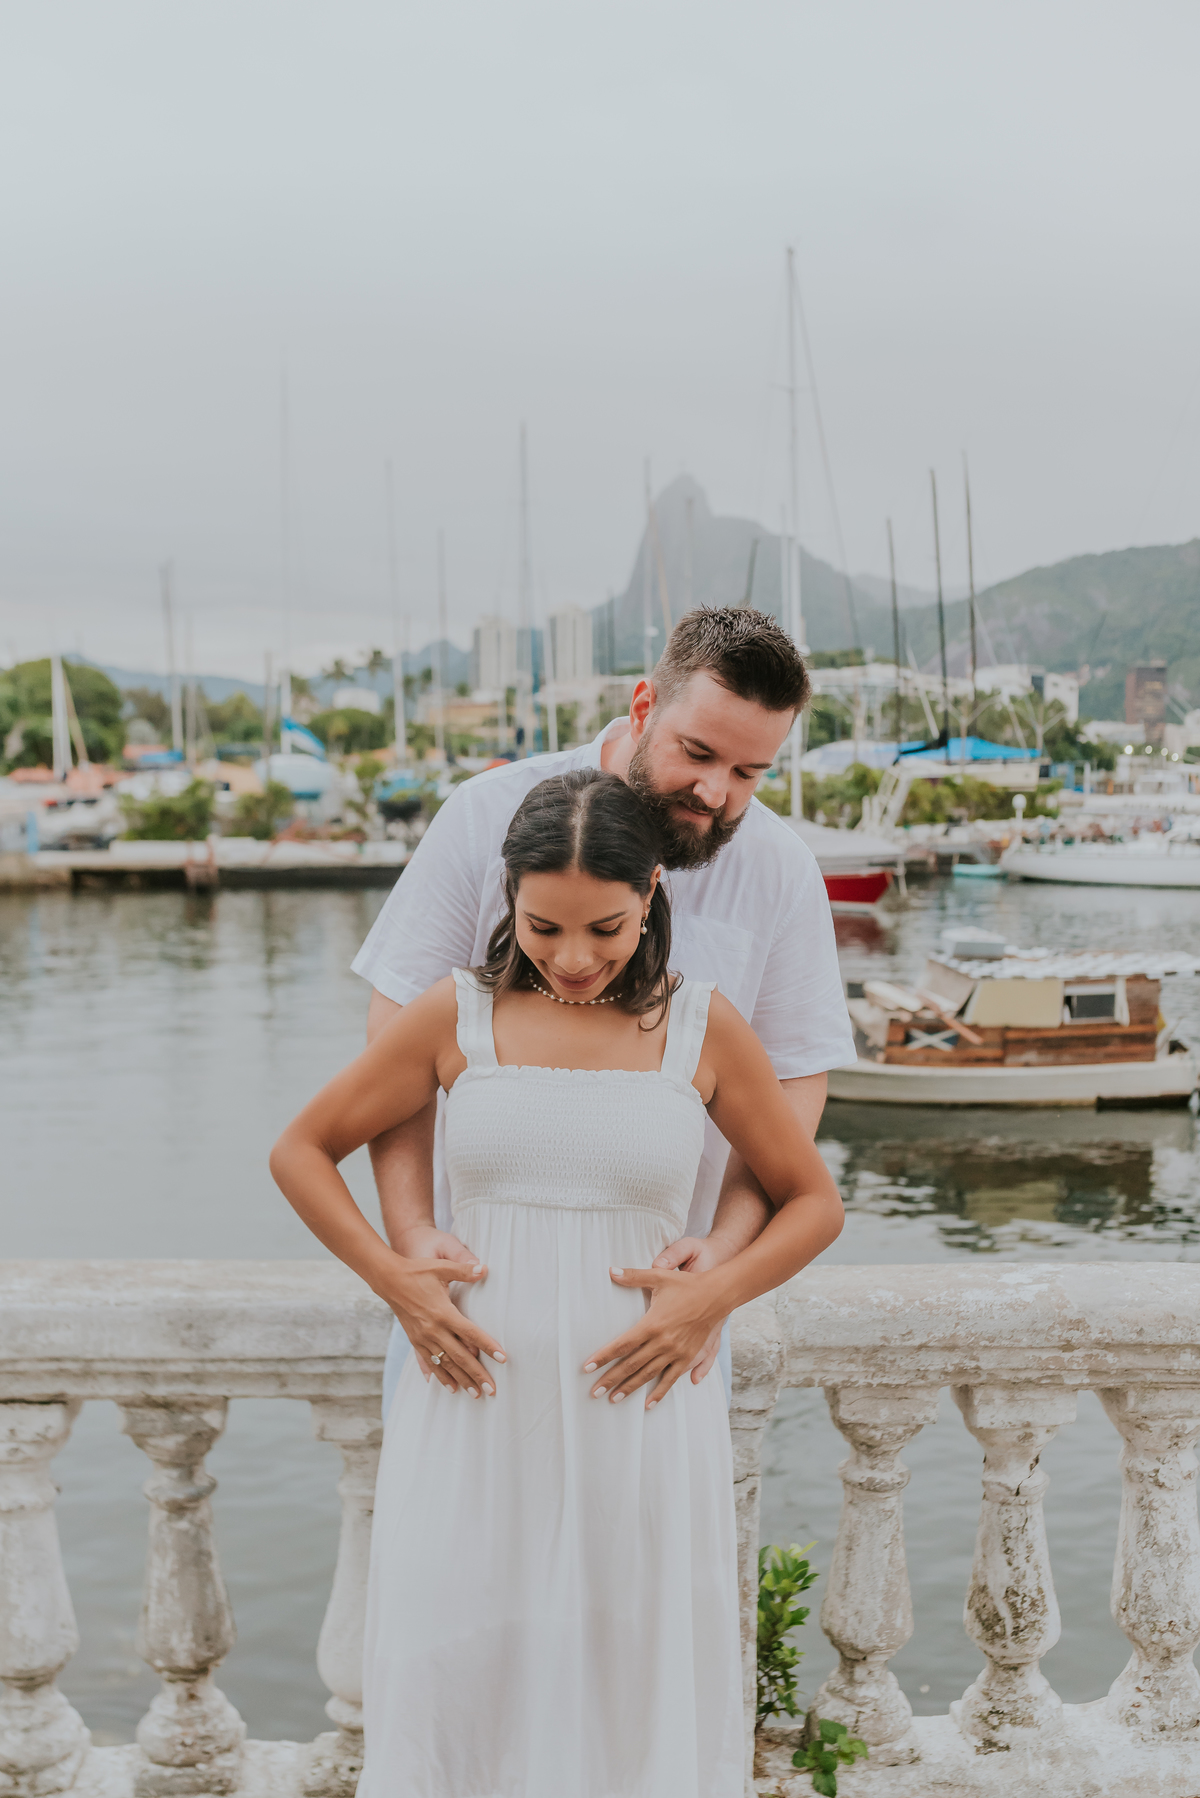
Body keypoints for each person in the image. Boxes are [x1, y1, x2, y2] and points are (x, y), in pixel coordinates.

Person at [270, 769, 844, 1798]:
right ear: (509, 897)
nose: (574, 959)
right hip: (473, 1408)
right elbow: (302, 1150)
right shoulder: (459, 1014)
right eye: (543, 926)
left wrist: (717, 1287)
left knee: (631, 1680)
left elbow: (814, 1202)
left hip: (644, 1412)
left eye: (606, 929)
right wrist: (398, 1278)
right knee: (460, 1672)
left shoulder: (701, 1027)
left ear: (654, 893)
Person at [352, 606, 855, 1411]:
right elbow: (394, 1049)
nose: (717, 793)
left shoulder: (781, 870)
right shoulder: (486, 816)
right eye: (699, 753)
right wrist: (410, 1246)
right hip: (464, 1309)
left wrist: (720, 1270)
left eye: (750, 773)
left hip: (666, 1325)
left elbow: (794, 1083)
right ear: (645, 706)